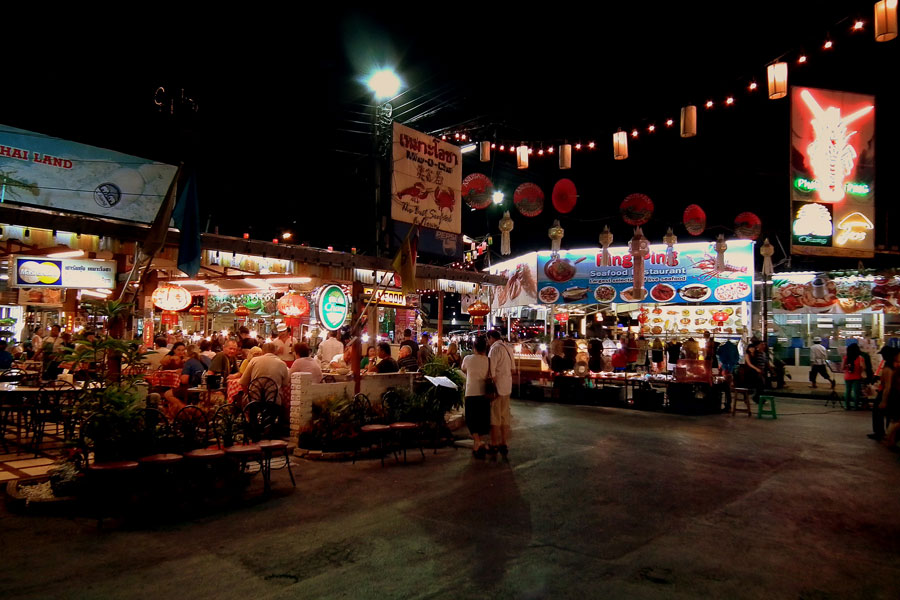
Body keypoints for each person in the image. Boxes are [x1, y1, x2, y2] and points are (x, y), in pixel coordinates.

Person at [462, 335, 491, 459]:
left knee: (471, 419)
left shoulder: (468, 359)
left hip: (471, 392)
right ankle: (478, 443)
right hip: (484, 393)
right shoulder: (488, 360)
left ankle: (477, 442)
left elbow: (463, 369)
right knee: (482, 419)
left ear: (474, 347)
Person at [487, 329, 513, 457]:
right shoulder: (508, 348)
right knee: (505, 416)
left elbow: (491, 370)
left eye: (488, 339)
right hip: (507, 387)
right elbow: (513, 369)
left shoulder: (495, 349)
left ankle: (494, 443)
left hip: (497, 388)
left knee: (495, 416)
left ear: (491, 338)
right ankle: (504, 442)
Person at [162, 345, 208, 418]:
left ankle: (187, 410)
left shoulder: (189, 362)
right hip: (203, 388)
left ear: (187, 353)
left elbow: (184, 381)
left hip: (192, 389)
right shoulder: (203, 359)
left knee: (167, 394)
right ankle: (182, 413)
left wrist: (181, 374)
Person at [869, 346, 897, 441]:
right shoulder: (893, 366)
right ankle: (889, 434)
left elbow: (887, 386)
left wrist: (884, 400)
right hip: (893, 393)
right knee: (889, 414)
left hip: (886, 393)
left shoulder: (888, 368)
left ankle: (881, 433)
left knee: (878, 413)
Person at [843, 343, 865, 410]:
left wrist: (847, 367)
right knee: (856, 392)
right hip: (857, 377)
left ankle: (847, 405)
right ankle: (856, 406)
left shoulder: (846, 358)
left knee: (847, 391)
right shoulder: (860, 358)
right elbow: (863, 367)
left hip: (847, 377)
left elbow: (842, 367)